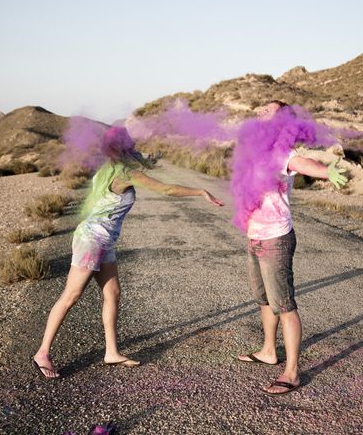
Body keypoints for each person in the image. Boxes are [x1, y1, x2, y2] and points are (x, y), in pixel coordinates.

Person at [32, 126, 224, 378]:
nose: (134, 145)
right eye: (130, 143)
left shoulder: (109, 166)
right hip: (92, 238)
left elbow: (143, 161)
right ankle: (42, 353)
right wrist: (201, 191)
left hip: (104, 239)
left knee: (113, 293)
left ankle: (111, 352)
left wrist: (150, 156)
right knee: (72, 295)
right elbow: (165, 189)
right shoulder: (123, 172)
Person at [232, 100, 347, 396]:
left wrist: (326, 172)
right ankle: (269, 350)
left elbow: (301, 163)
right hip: (255, 235)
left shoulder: (283, 152)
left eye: (266, 111)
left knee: (284, 304)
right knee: (264, 299)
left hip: (276, 238)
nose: (258, 113)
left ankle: (292, 372)